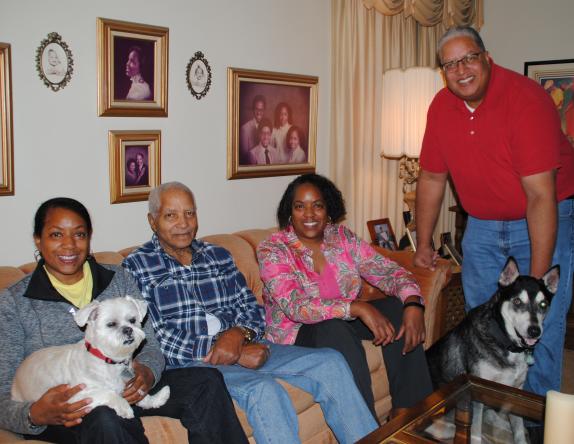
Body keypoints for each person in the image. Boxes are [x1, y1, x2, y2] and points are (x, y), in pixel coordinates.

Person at [122, 182, 379, 444]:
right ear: (152, 221)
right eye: (171, 215)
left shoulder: (217, 255)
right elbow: (153, 336)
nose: (184, 223)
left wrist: (239, 334)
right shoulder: (136, 266)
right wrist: (228, 350)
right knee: (264, 391)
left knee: (330, 363)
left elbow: (251, 308)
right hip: (194, 364)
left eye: (190, 213)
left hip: (246, 342)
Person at [0, 197, 248, 444]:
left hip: (123, 383)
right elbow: (3, 395)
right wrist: (34, 414)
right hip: (71, 410)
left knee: (206, 381)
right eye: (56, 235)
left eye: (79, 234)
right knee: (105, 416)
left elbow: (151, 344)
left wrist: (147, 372)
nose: (69, 246)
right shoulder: (15, 302)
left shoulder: (117, 278)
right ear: (38, 239)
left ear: (89, 238)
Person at [414, 26, 574, 402]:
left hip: (540, 216)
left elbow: (539, 196)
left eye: (469, 57)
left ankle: (539, 425)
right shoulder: (441, 107)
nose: (461, 70)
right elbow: (432, 178)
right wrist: (423, 241)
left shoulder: (526, 101)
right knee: (485, 328)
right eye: (450, 64)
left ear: (487, 57)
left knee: (540, 327)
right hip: (482, 225)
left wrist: (535, 279)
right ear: (443, 71)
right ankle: (495, 418)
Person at [257, 173, 433, 418]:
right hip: (297, 332)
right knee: (335, 330)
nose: (309, 214)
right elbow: (297, 308)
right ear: (290, 212)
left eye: (317, 205)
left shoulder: (341, 237)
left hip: (341, 320)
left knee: (396, 308)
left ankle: (409, 413)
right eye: (300, 206)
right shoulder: (273, 250)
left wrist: (413, 303)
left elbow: (387, 271)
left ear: (329, 210)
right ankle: (366, 429)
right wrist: (357, 308)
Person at [239, 95, 266, 164]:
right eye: (256, 109)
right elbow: (244, 156)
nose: (259, 112)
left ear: (264, 110)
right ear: (253, 110)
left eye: (261, 109)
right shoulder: (244, 129)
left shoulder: (267, 127)